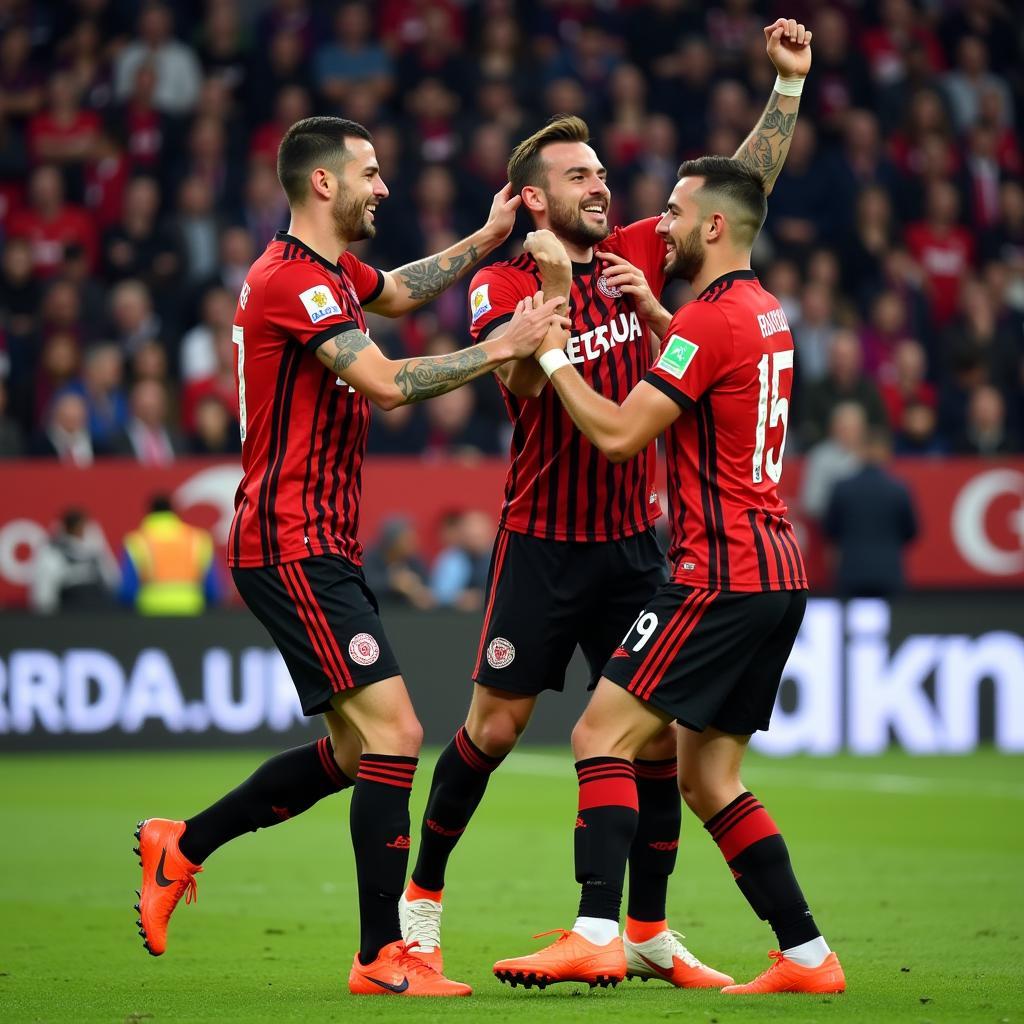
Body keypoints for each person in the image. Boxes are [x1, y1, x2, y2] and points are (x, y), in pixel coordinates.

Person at [399, 18, 813, 991]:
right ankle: (418, 913)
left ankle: (647, 932)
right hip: (542, 545)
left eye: (600, 172)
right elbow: (533, 392)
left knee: (652, 739)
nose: (603, 187)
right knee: (491, 731)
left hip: (634, 543)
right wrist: (542, 305)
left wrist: (785, 89)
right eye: (580, 176)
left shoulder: (637, 250)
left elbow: (735, 195)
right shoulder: (502, 285)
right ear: (536, 196)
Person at [133, 115, 565, 997]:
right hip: (290, 540)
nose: (384, 186)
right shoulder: (292, 280)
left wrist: (484, 240)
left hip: (313, 540)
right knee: (398, 734)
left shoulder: (330, 275)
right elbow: (388, 383)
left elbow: (399, 292)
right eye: (370, 172)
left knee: (349, 753)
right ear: (322, 183)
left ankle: (182, 844)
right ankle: (380, 958)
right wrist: (501, 349)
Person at [492, 152, 845, 995]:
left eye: (680, 215)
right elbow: (708, 384)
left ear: (714, 226)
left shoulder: (705, 323)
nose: (665, 227)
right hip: (775, 571)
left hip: (713, 572)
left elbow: (618, 434)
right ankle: (806, 956)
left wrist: (551, 357)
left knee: (597, 736)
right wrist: (655, 313)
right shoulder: (761, 313)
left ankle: (594, 932)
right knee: (706, 777)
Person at [823, 428, 919, 596]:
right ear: (886, 453)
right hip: (889, 573)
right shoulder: (899, 490)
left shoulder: (843, 488)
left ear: (860, 452)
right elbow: (911, 531)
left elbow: (830, 530)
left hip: (851, 572)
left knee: (851, 621)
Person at [118, 495, 221, 615]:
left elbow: (128, 590)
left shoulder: (136, 541)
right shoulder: (198, 539)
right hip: (191, 609)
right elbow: (212, 589)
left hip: (150, 611)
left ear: (149, 513)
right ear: (174, 512)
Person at [30, 507, 119, 613]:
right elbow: (44, 595)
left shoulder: (96, 552)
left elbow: (113, 582)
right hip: (68, 616)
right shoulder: (53, 554)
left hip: (98, 614)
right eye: (81, 526)